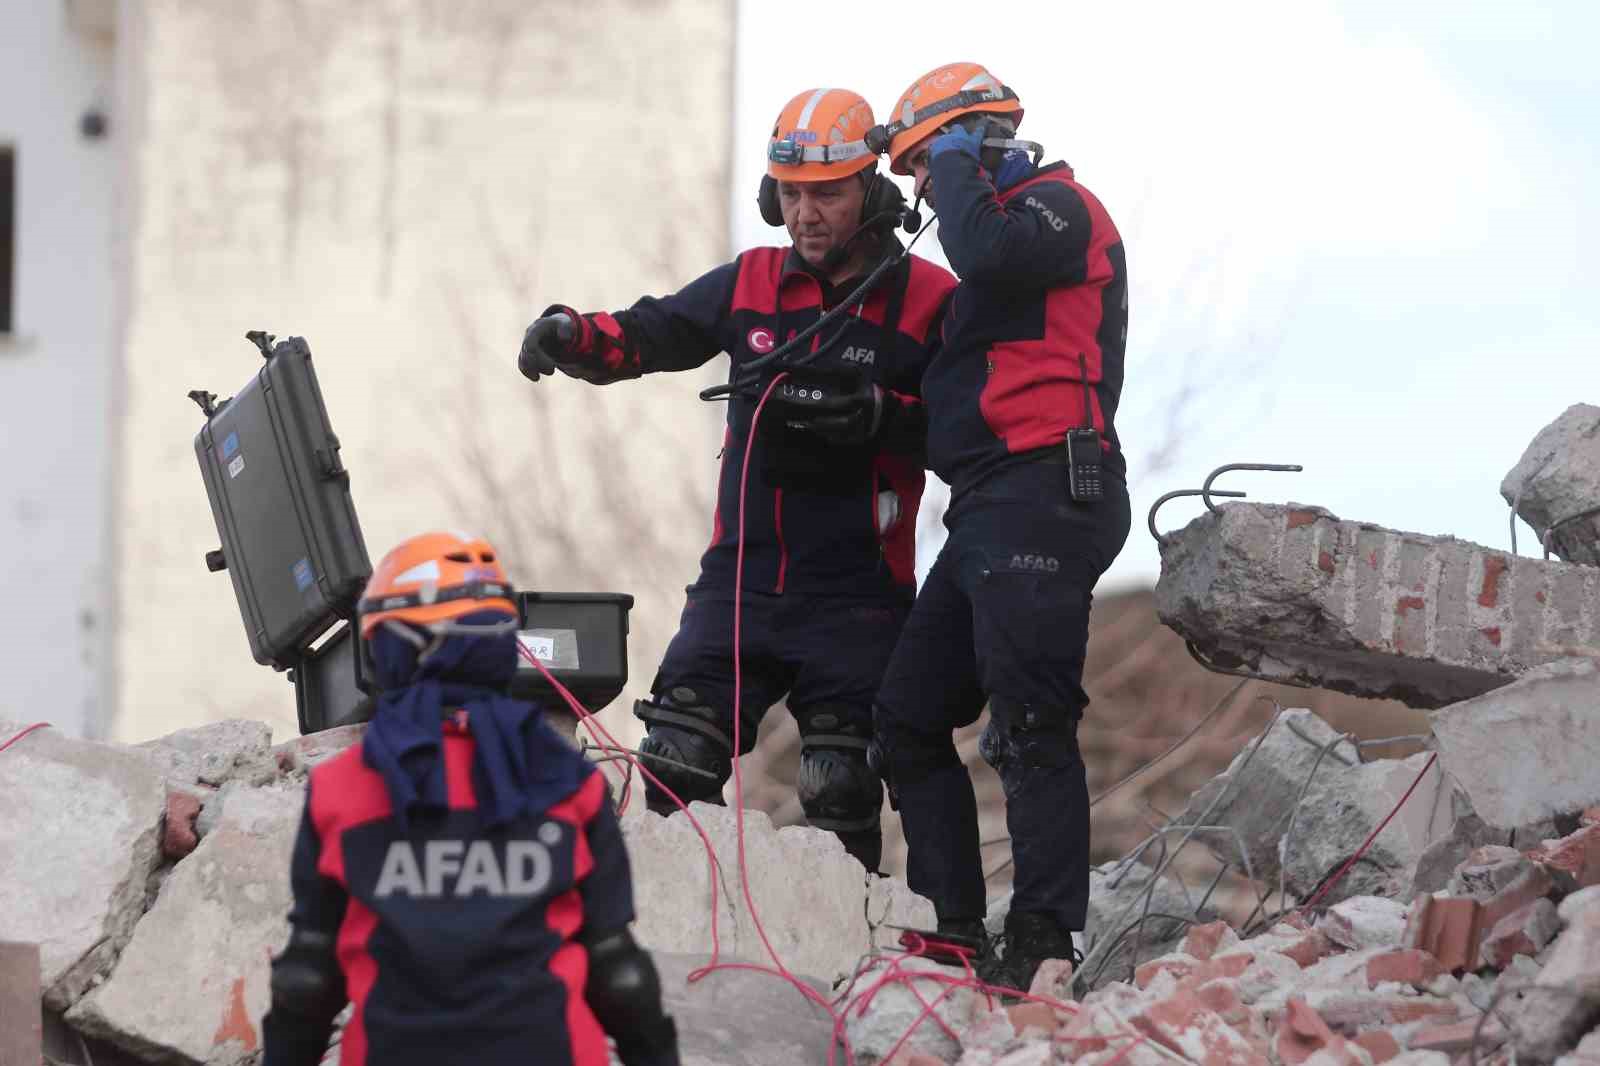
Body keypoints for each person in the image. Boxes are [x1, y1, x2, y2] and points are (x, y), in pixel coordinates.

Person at [516, 89, 956, 874]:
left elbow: (973, 431)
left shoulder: (931, 301)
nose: (807, 213)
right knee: (673, 765)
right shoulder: (749, 281)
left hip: (860, 595)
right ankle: (695, 941)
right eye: (790, 194)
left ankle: (846, 959)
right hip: (741, 584)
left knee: (839, 785)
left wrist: (888, 416)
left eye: (827, 192)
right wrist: (568, 333)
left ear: (875, 193)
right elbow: (645, 333)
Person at [863, 62, 1132, 991]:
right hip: (988, 503)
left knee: (1028, 724)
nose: (918, 191)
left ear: (961, 141)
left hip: (1051, 486)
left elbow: (984, 248)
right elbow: (958, 389)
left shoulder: (1061, 208)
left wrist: (955, 169)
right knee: (905, 718)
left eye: (919, 167)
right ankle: (955, 932)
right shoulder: (996, 254)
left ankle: (1046, 944)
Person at [262, 532, 679, 1066]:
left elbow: (307, 982)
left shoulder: (341, 789)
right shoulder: (568, 780)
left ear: (395, 646)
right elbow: (618, 973)